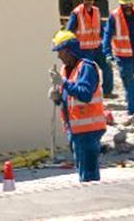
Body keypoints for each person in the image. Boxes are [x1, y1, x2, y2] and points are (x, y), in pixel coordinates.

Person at [49, 30, 107, 182]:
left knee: (89, 176)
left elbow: (85, 94)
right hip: (75, 129)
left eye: (60, 51)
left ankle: (94, 201)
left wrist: (63, 83)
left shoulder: (86, 67)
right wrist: (57, 97)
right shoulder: (66, 70)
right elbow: (68, 97)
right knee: (83, 171)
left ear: (69, 50)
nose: (58, 56)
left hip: (89, 130)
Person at [66, 0, 115, 98]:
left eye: (91, 0)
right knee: (89, 72)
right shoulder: (77, 13)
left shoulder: (96, 11)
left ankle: (107, 92)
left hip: (97, 47)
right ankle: (88, 93)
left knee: (107, 67)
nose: (89, 2)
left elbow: (100, 29)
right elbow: (69, 31)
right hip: (83, 49)